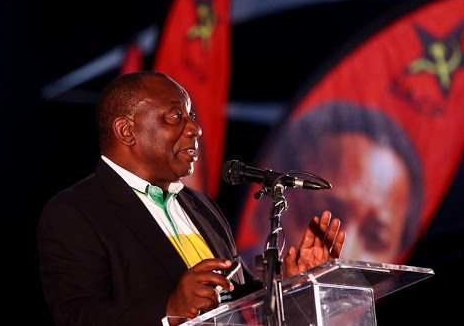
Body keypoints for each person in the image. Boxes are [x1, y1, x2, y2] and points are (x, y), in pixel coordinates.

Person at [37, 71, 346, 326]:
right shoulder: (76, 211)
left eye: (192, 115)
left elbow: (238, 301)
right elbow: (74, 317)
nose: (195, 128)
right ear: (126, 131)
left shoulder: (201, 206)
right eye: (176, 116)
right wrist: (169, 309)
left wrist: (291, 288)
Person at [236, 102, 423, 275]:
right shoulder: (213, 297)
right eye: (323, 218)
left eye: (375, 238)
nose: (344, 253)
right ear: (264, 205)